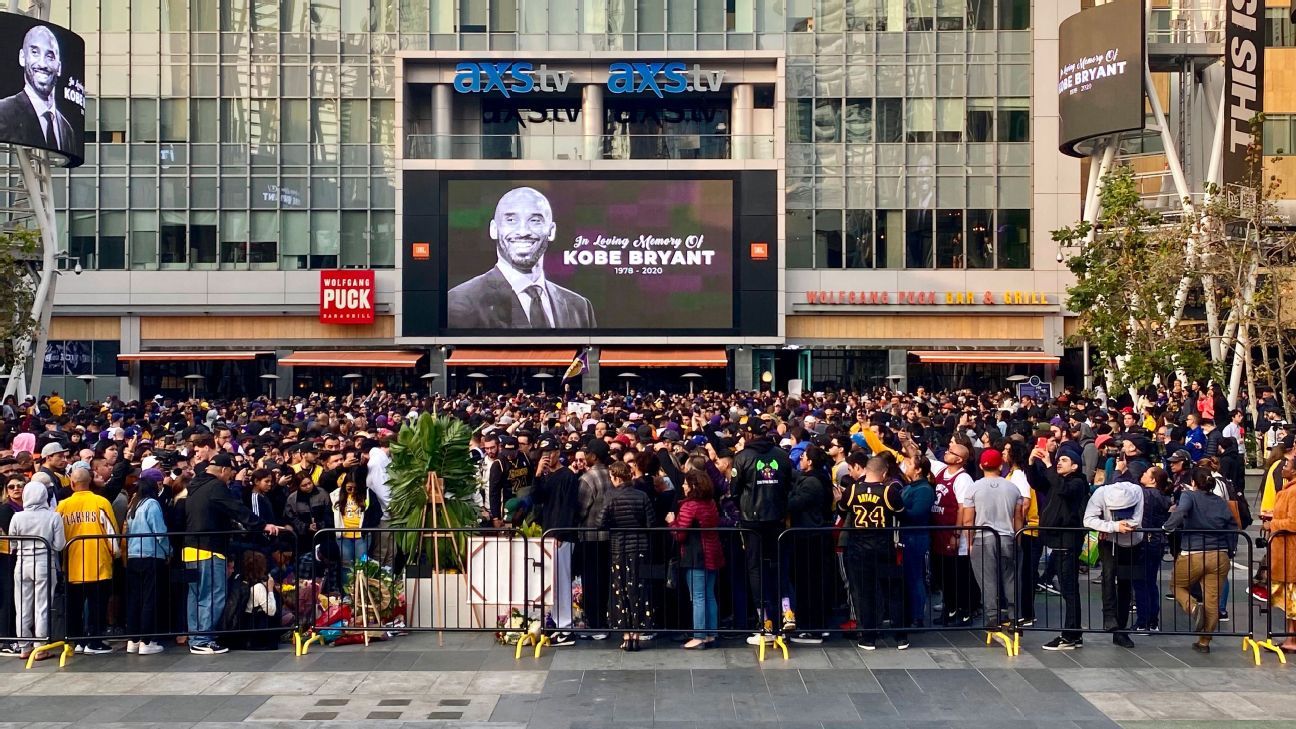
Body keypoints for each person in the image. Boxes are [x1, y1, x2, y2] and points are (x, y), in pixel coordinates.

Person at [446, 186, 596, 329]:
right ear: (494, 230)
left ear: (551, 231)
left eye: (535, 220)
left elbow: (585, 356)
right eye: (511, 220)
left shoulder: (579, 307)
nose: (523, 231)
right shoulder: (460, 303)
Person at [183, 453, 280, 655]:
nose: (230, 478)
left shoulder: (194, 486)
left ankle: (196, 636)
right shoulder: (216, 486)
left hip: (190, 550)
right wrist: (261, 525)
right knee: (213, 594)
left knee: (195, 596)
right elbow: (236, 508)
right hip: (210, 549)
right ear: (225, 470)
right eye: (230, 474)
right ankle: (203, 638)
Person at [731, 420, 795, 642]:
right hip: (777, 519)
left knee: (755, 569)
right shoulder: (781, 455)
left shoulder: (742, 457)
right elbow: (788, 484)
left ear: (749, 433)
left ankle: (765, 620)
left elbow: (734, 491)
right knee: (780, 566)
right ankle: (787, 613)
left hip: (752, 522)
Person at [1163, 468, 1239, 653]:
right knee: (1212, 599)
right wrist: (1230, 549)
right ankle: (1204, 641)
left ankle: (1193, 607)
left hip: (1193, 552)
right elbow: (1232, 525)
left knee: (1177, 586)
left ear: (1194, 483)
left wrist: (1167, 527)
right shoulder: (1220, 501)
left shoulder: (1190, 495)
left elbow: (1181, 512)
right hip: (1219, 554)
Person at [837, 453, 906, 650]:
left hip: (858, 547)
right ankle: (900, 636)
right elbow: (902, 514)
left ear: (866, 470)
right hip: (883, 546)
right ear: (884, 473)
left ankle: (868, 637)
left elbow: (842, 511)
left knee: (864, 593)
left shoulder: (851, 490)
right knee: (892, 591)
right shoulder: (888, 492)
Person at [1028, 446, 1089, 650]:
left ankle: (1070, 635)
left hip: (1068, 541)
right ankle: (1074, 634)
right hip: (1058, 541)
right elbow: (1037, 483)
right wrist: (1032, 464)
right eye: (1058, 459)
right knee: (1069, 589)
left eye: (1063, 460)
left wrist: (1047, 464)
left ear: (1074, 465)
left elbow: (1062, 488)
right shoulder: (1058, 480)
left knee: (1069, 590)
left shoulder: (1078, 483)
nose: (1058, 462)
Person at [57, 467, 119, 654]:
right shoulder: (101, 502)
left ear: (72, 483)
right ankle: (94, 641)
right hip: (97, 562)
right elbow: (111, 532)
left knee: (74, 606)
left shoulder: (62, 506)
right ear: (90, 481)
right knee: (97, 605)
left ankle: (77, 641)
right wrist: (115, 554)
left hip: (72, 564)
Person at [962, 452, 1024, 630]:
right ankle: (1014, 617)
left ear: (981, 466)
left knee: (987, 579)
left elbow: (968, 520)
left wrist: (970, 541)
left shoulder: (973, 488)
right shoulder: (1013, 488)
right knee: (1011, 578)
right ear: (1000, 466)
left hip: (983, 537)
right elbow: (1018, 517)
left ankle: (992, 617)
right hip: (1007, 536)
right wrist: (1017, 539)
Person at [1083, 468, 1144, 648]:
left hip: (1133, 542)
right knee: (1108, 577)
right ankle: (1109, 618)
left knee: (1126, 583)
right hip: (1109, 541)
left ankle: (1121, 629)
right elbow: (1088, 520)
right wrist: (1113, 526)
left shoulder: (1137, 491)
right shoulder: (1101, 494)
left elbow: (1137, 519)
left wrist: (1121, 525)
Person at [600, 461, 654, 651]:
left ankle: (626, 635)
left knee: (620, 590)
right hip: (640, 547)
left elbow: (600, 522)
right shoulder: (642, 496)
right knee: (639, 590)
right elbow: (651, 523)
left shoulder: (610, 496)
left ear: (615, 477)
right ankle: (637, 634)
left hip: (618, 547)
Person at [9, 481, 65, 660]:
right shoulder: (53, 517)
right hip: (44, 563)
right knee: (42, 606)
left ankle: (24, 646)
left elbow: (12, 543)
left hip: (22, 563)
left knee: (22, 605)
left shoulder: (17, 517)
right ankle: (40, 647)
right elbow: (60, 544)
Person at [0, 25, 77, 156]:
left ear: (59, 67)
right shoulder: (3, 112)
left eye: (50, 56)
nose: (42, 64)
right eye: (35, 52)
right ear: (22, 57)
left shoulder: (67, 130)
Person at [668, 470, 723, 650]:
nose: (683, 486)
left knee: (698, 596)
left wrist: (671, 521)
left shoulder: (689, 506)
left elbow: (680, 534)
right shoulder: (711, 503)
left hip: (695, 555)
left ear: (692, 486)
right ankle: (711, 633)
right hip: (713, 552)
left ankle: (699, 635)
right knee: (709, 594)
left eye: (685, 483)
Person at [786, 442, 833, 643]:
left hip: (810, 537)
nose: (801, 460)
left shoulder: (812, 483)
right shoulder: (816, 479)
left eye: (803, 457)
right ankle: (816, 625)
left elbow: (794, 504)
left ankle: (812, 628)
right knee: (811, 582)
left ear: (810, 461)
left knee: (809, 583)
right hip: (811, 535)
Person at [125, 470, 170, 655]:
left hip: (134, 555)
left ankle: (133, 639)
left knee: (135, 598)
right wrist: (169, 551)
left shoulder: (133, 505)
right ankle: (147, 639)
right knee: (150, 598)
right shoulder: (152, 504)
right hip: (151, 555)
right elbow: (160, 531)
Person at [1133, 466, 1172, 633]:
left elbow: (1145, 518)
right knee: (1150, 582)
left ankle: (1144, 621)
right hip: (1157, 540)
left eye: (1146, 473)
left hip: (1145, 540)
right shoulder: (1163, 496)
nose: (1142, 474)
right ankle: (1152, 620)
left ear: (1153, 480)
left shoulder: (1146, 494)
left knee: (1141, 582)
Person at [1267, 464, 1296, 653]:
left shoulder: (1293, 492)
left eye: (1287, 465)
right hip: (1285, 552)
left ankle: (1292, 640)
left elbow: (1293, 522)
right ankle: (1290, 638)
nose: (1283, 467)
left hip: (1291, 553)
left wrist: (1272, 523)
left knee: (1293, 600)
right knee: (1289, 600)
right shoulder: (1289, 490)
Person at [0, 476, 23, 655]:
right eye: (12, 486)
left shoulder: (25, 508)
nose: (16, 489)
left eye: (20, 486)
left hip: (18, 557)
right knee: (9, 597)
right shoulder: (6, 509)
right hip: (7, 557)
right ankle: (7, 639)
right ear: (7, 491)